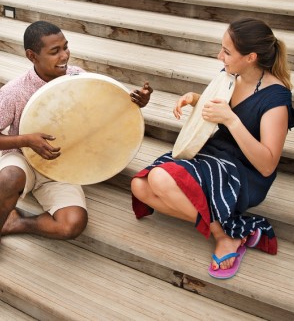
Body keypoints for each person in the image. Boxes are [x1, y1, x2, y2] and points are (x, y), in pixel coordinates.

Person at [131, 18, 293, 279]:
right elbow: (216, 105)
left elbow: (267, 164)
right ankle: (229, 224)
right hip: (214, 154)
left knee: (160, 178)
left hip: (243, 173)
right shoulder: (232, 75)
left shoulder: (276, 99)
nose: (220, 57)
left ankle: (224, 236)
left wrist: (230, 119)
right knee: (139, 186)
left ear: (251, 57)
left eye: (227, 52)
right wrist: (195, 100)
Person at [0, 20, 153, 241]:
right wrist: (26, 140)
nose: (64, 56)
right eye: (55, 51)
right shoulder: (14, 91)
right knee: (8, 178)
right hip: (22, 159)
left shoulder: (77, 77)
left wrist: (133, 103)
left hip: (63, 168)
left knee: (72, 225)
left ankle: (16, 221)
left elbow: (102, 114)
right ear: (32, 56)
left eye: (65, 47)